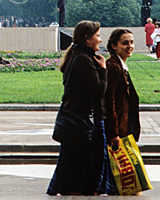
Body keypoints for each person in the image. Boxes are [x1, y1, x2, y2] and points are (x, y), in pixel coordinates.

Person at [47, 20, 113, 196]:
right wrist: (103, 70)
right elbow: (98, 90)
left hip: (73, 118)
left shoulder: (76, 56)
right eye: (97, 36)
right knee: (80, 164)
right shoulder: (83, 60)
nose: (100, 40)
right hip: (81, 121)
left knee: (71, 162)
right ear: (87, 38)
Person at [104, 29, 141, 159]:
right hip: (119, 128)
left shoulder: (120, 65)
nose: (130, 46)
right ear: (114, 46)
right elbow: (110, 101)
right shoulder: (113, 67)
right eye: (125, 43)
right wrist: (114, 133)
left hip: (123, 126)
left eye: (131, 42)